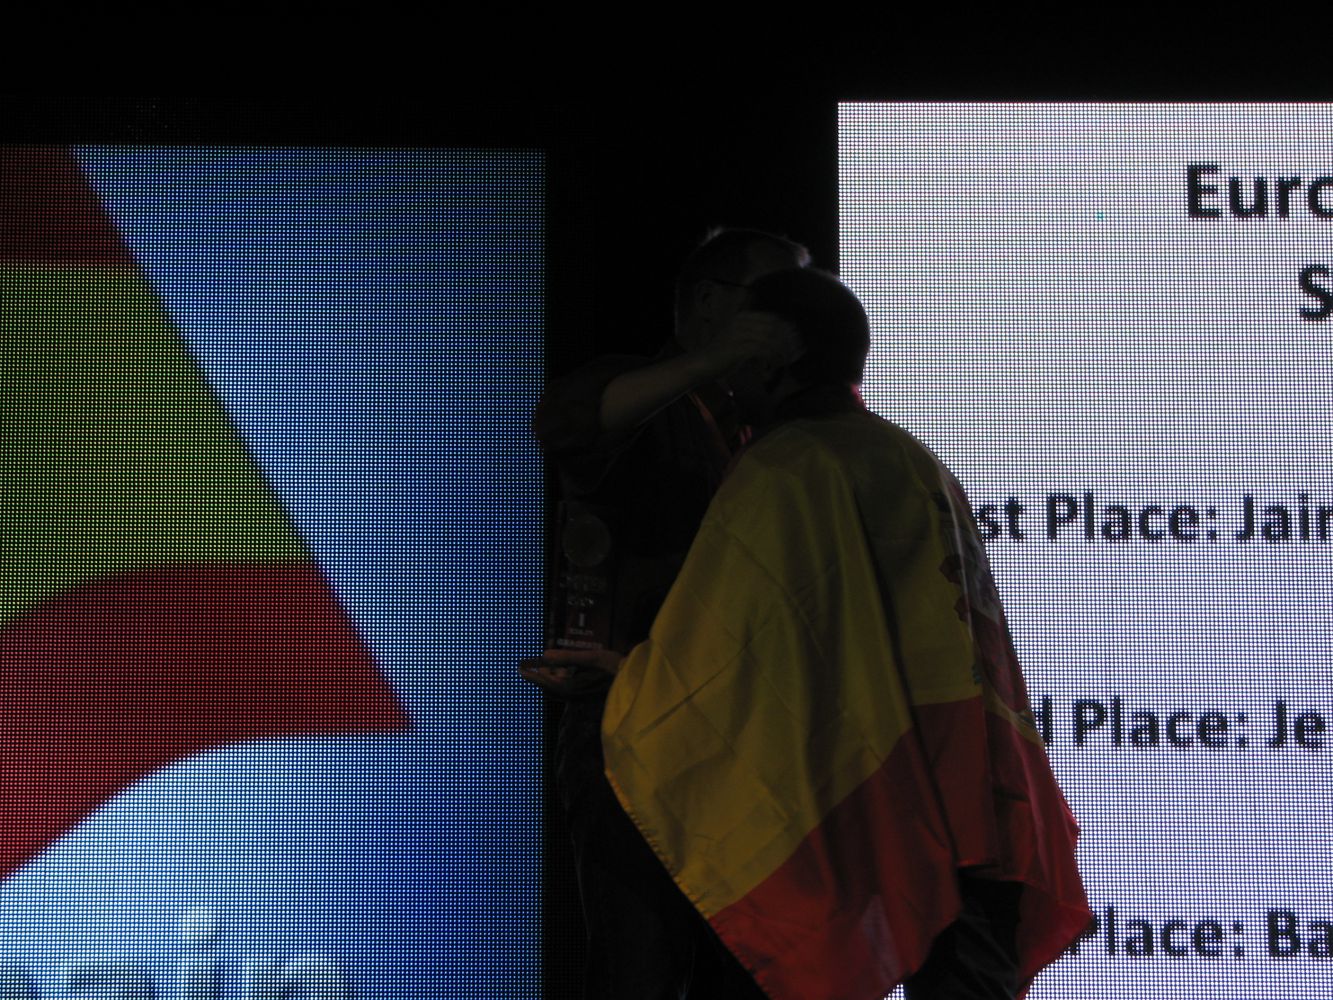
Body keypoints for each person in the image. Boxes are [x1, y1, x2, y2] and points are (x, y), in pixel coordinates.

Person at [539, 268, 1092, 999]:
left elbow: (731, 661)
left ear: (772, 359)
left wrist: (623, 679)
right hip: (972, 770)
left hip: (887, 778)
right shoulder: (912, 455)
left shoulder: (787, 466)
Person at [526, 229, 811, 999]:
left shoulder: (764, 428)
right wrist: (713, 360)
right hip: (636, 723)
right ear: (711, 303)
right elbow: (567, 422)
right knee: (639, 969)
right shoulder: (650, 395)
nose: (791, 321)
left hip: (739, 736)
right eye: (775, 300)